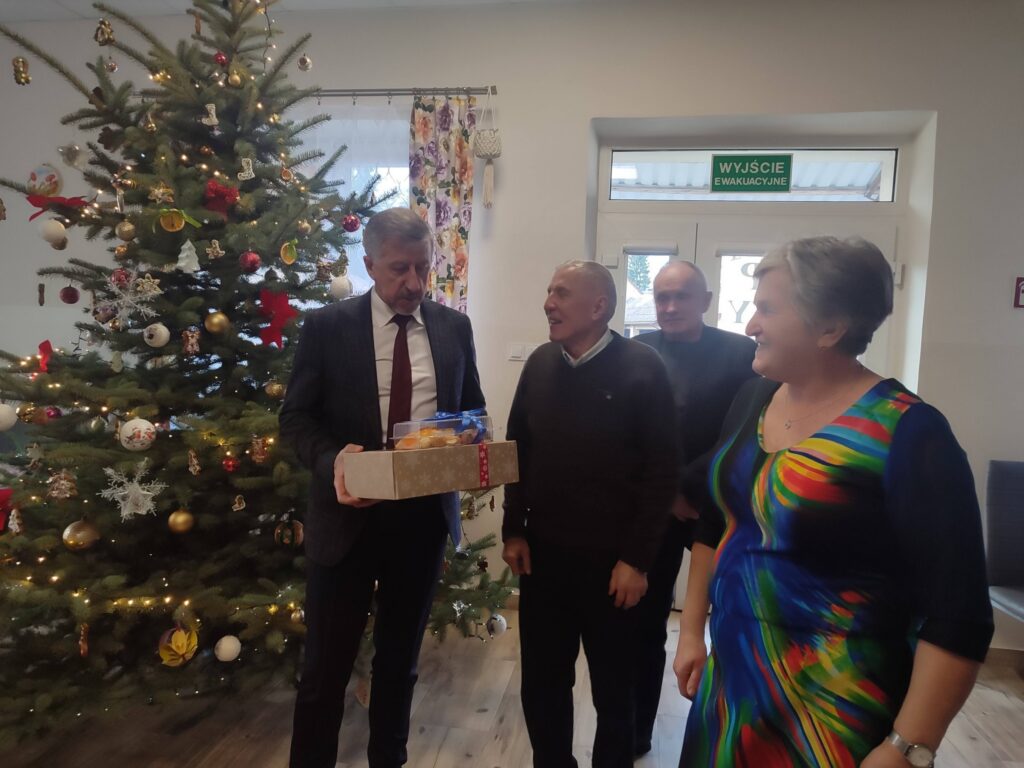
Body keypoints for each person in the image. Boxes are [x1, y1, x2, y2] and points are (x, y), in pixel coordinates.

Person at [672, 236, 993, 767]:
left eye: (767, 309)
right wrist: (690, 631)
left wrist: (906, 748)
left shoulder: (908, 432)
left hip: (835, 713)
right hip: (730, 694)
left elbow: (959, 615)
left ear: (830, 328)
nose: (750, 326)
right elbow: (717, 521)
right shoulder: (753, 398)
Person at [280, 207, 485, 768]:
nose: (414, 283)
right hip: (345, 519)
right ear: (369, 265)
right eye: (399, 269)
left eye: (423, 267)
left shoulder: (453, 328)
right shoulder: (327, 328)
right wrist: (335, 463)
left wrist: (468, 441)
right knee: (324, 670)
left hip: (420, 522)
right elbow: (295, 419)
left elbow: (472, 410)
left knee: (399, 665)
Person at [502, 260, 679, 768]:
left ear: (599, 306)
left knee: (615, 691)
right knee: (542, 683)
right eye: (549, 291)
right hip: (544, 559)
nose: (548, 303)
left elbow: (662, 472)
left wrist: (637, 560)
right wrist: (514, 529)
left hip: (614, 568)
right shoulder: (540, 363)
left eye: (561, 293)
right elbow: (517, 450)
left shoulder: (644, 368)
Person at [632, 261, 756, 757]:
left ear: (705, 300)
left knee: (729, 619)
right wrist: (667, 494)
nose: (669, 306)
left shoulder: (742, 353)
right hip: (657, 511)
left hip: (723, 508)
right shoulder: (638, 351)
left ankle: (725, 733)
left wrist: (691, 487)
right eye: (661, 297)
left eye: (681, 296)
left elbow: (745, 432)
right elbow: (629, 434)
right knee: (644, 623)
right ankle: (637, 731)